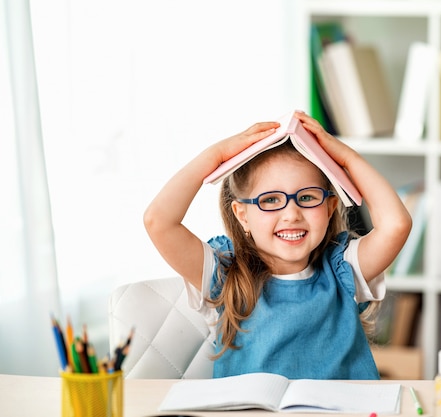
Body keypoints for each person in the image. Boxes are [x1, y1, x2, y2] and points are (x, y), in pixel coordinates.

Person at [144, 111, 412, 379]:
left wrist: (346, 157)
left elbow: (396, 224)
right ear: (242, 215)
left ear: (330, 207)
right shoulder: (224, 272)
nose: (291, 214)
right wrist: (217, 155)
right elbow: (159, 221)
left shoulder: (344, 268)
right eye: (270, 200)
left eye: (307, 197)